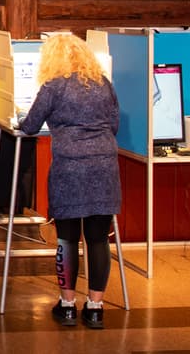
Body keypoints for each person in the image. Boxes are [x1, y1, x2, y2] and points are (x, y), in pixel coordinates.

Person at [18, 32, 121, 329]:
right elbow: (113, 124)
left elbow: (30, 125)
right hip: (104, 167)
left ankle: (66, 305)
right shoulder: (103, 85)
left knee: (67, 238)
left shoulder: (54, 86)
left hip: (70, 170)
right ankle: (96, 307)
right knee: (98, 239)